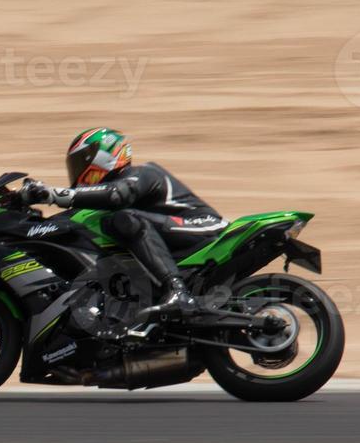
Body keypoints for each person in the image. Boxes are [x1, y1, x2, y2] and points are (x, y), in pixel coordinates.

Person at [19, 128, 227, 317]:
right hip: (177, 239)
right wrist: (27, 223)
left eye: (81, 161)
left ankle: (177, 291)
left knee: (125, 219)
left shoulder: (142, 173)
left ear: (103, 156)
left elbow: (117, 195)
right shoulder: (104, 199)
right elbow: (73, 220)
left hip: (203, 226)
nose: (77, 170)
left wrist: (52, 194)